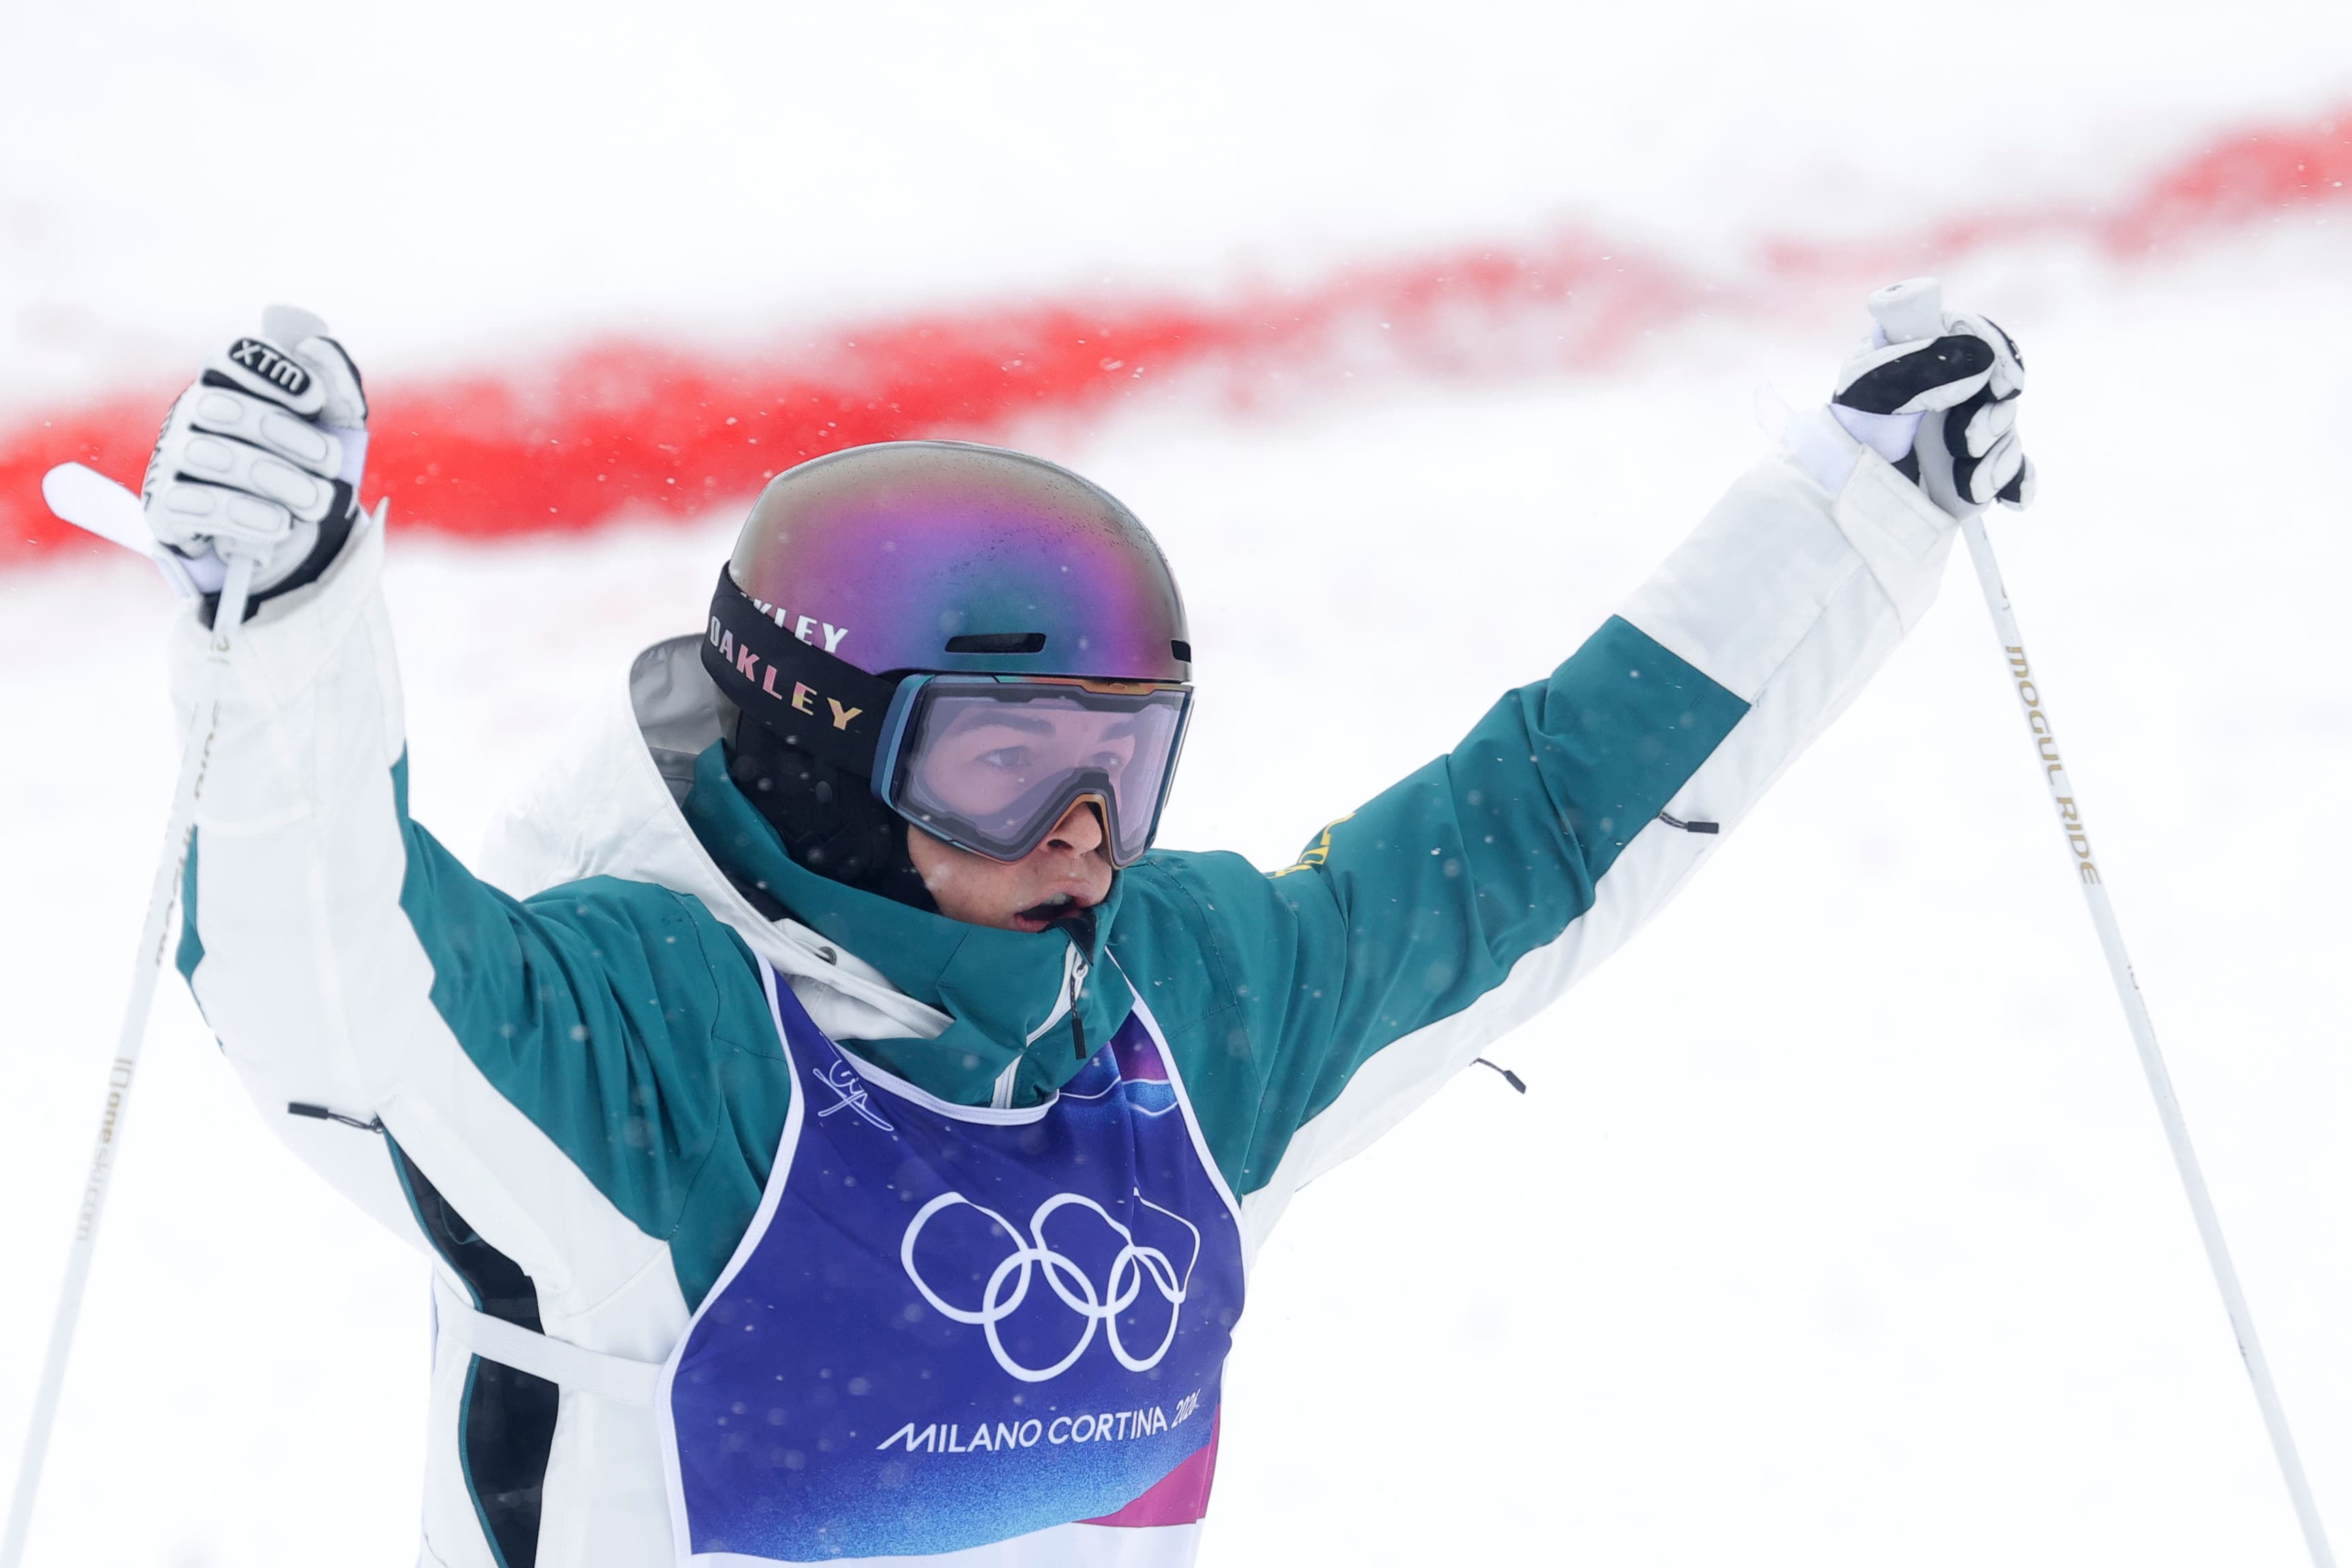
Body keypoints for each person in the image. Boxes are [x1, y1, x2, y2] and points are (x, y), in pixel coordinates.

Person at [149, 292, 2029, 1568]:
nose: (1082, 840)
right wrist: (289, 624)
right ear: (825, 752)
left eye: (1125, 766)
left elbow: (1537, 824)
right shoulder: (652, 1063)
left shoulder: (1177, 1018)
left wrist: (1854, 507)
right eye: (1003, 762)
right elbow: (336, 983)